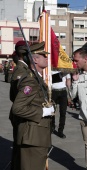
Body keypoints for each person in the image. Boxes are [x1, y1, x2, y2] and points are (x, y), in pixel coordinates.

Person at [11, 41, 55, 170]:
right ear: (35, 59)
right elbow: (18, 108)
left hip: (38, 136)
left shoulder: (36, 77)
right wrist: (42, 112)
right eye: (43, 56)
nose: (47, 58)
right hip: (33, 137)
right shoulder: (30, 79)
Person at [9, 40, 32, 170]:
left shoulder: (24, 68)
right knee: (19, 148)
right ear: (24, 54)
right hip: (20, 114)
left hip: (21, 113)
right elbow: (16, 97)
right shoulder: (20, 70)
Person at [51, 71, 71, 138]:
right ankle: (52, 127)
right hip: (53, 91)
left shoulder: (65, 68)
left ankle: (60, 131)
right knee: (52, 111)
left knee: (63, 112)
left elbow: (68, 80)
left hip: (63, 91)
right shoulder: (51, 68)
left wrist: (69, 94)